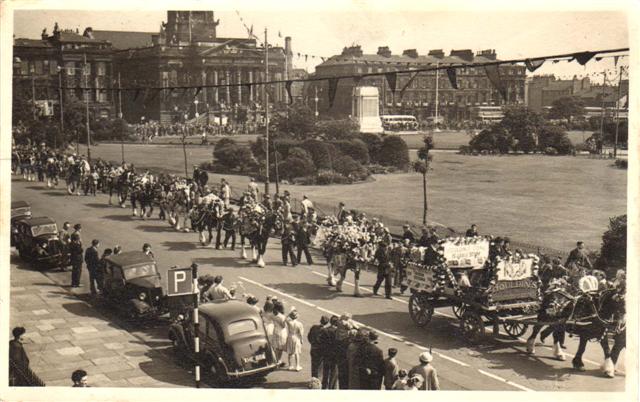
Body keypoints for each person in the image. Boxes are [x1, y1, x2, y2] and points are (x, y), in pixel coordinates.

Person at [320, 315, 339, 389]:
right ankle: (332, 387)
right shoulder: (338, 332)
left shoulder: (325, 330)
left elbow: (321, 341)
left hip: (326, 354)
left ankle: (324, 386)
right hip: (335, 355)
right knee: (334, 372)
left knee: (326, 371)